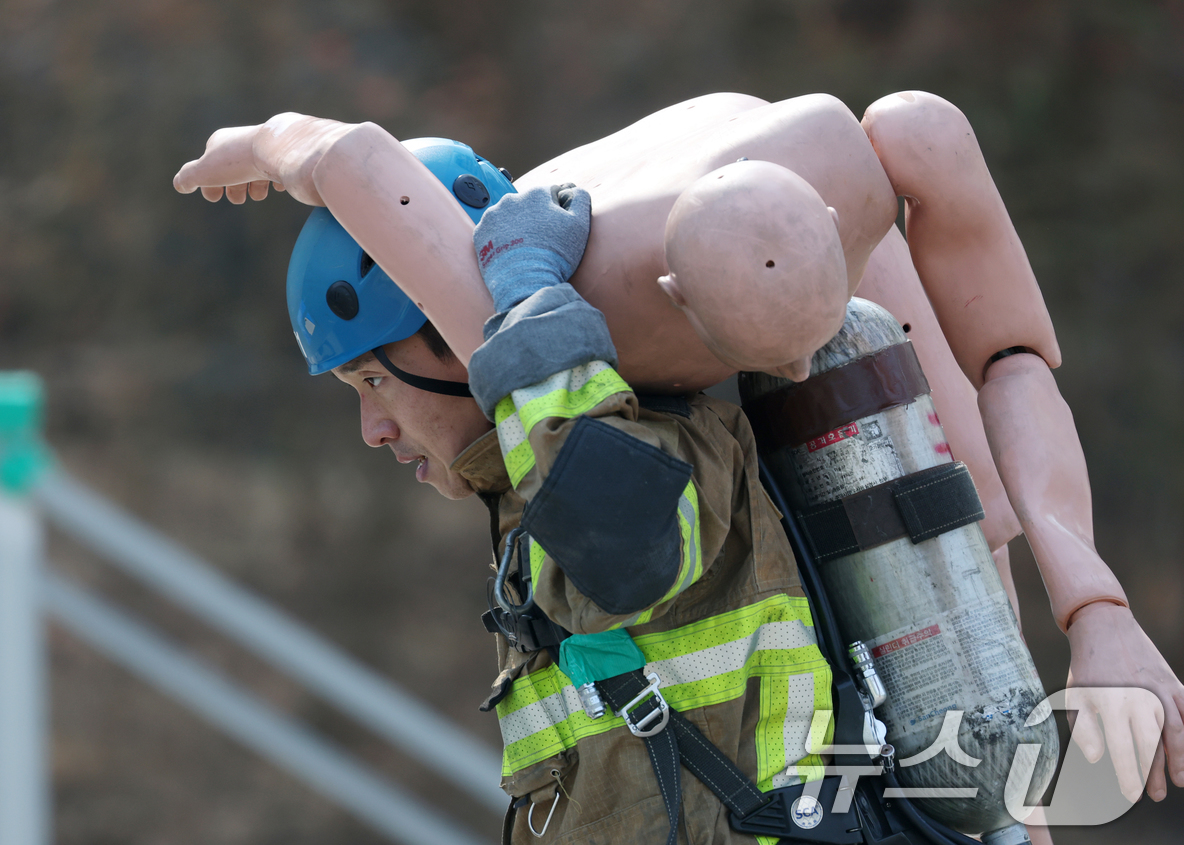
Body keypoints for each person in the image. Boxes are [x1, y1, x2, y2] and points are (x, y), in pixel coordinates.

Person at [173, 94, 1184, 812]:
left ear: (443, 334)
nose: (372, 429)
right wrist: (1094, 611)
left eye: (369, 382)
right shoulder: (607, 398)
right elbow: (990, 424)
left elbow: (352, 157)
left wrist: (259, 142)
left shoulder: (551, 371)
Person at [298, 138, 832, 843]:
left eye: (372, 379)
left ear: (461, 349)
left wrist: (524, 296)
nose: (371, 429)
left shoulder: (661, 449)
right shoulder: (527, 498)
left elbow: (623, 549)